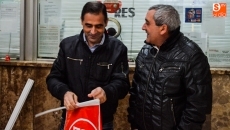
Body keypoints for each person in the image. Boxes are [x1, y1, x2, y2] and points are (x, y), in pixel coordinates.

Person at [46, 1, 130, 130]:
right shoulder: (67, 46)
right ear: (81, 21)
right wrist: (65, 92)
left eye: (99, 26)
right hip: (71, 117)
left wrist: (106, 92)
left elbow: (123, 84)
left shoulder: (118, 49)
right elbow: (53, 78)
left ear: (106, 23)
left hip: (102, 121)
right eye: (88, 25)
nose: (93, 31)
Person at [127, 4, 212, 130]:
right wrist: (133, 122)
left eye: (147, 23)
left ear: (163, 29)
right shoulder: (145, 52)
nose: (143, 27)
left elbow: (198, 108)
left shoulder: (192, 56)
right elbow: (136, 92)